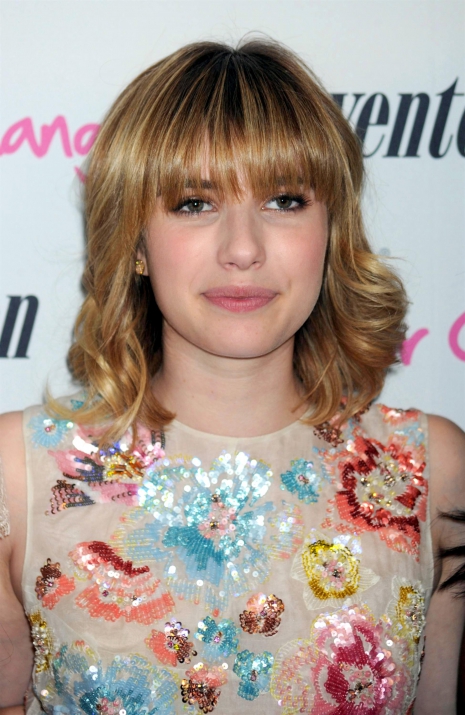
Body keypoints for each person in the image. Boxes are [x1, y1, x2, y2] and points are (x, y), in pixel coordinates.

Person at [0, 37, 464, 715]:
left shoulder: (432, 470)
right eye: (194, 203)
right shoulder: (17, 476)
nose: (242, 249)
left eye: (284, 200)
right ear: (134, 241)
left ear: (331, 231)